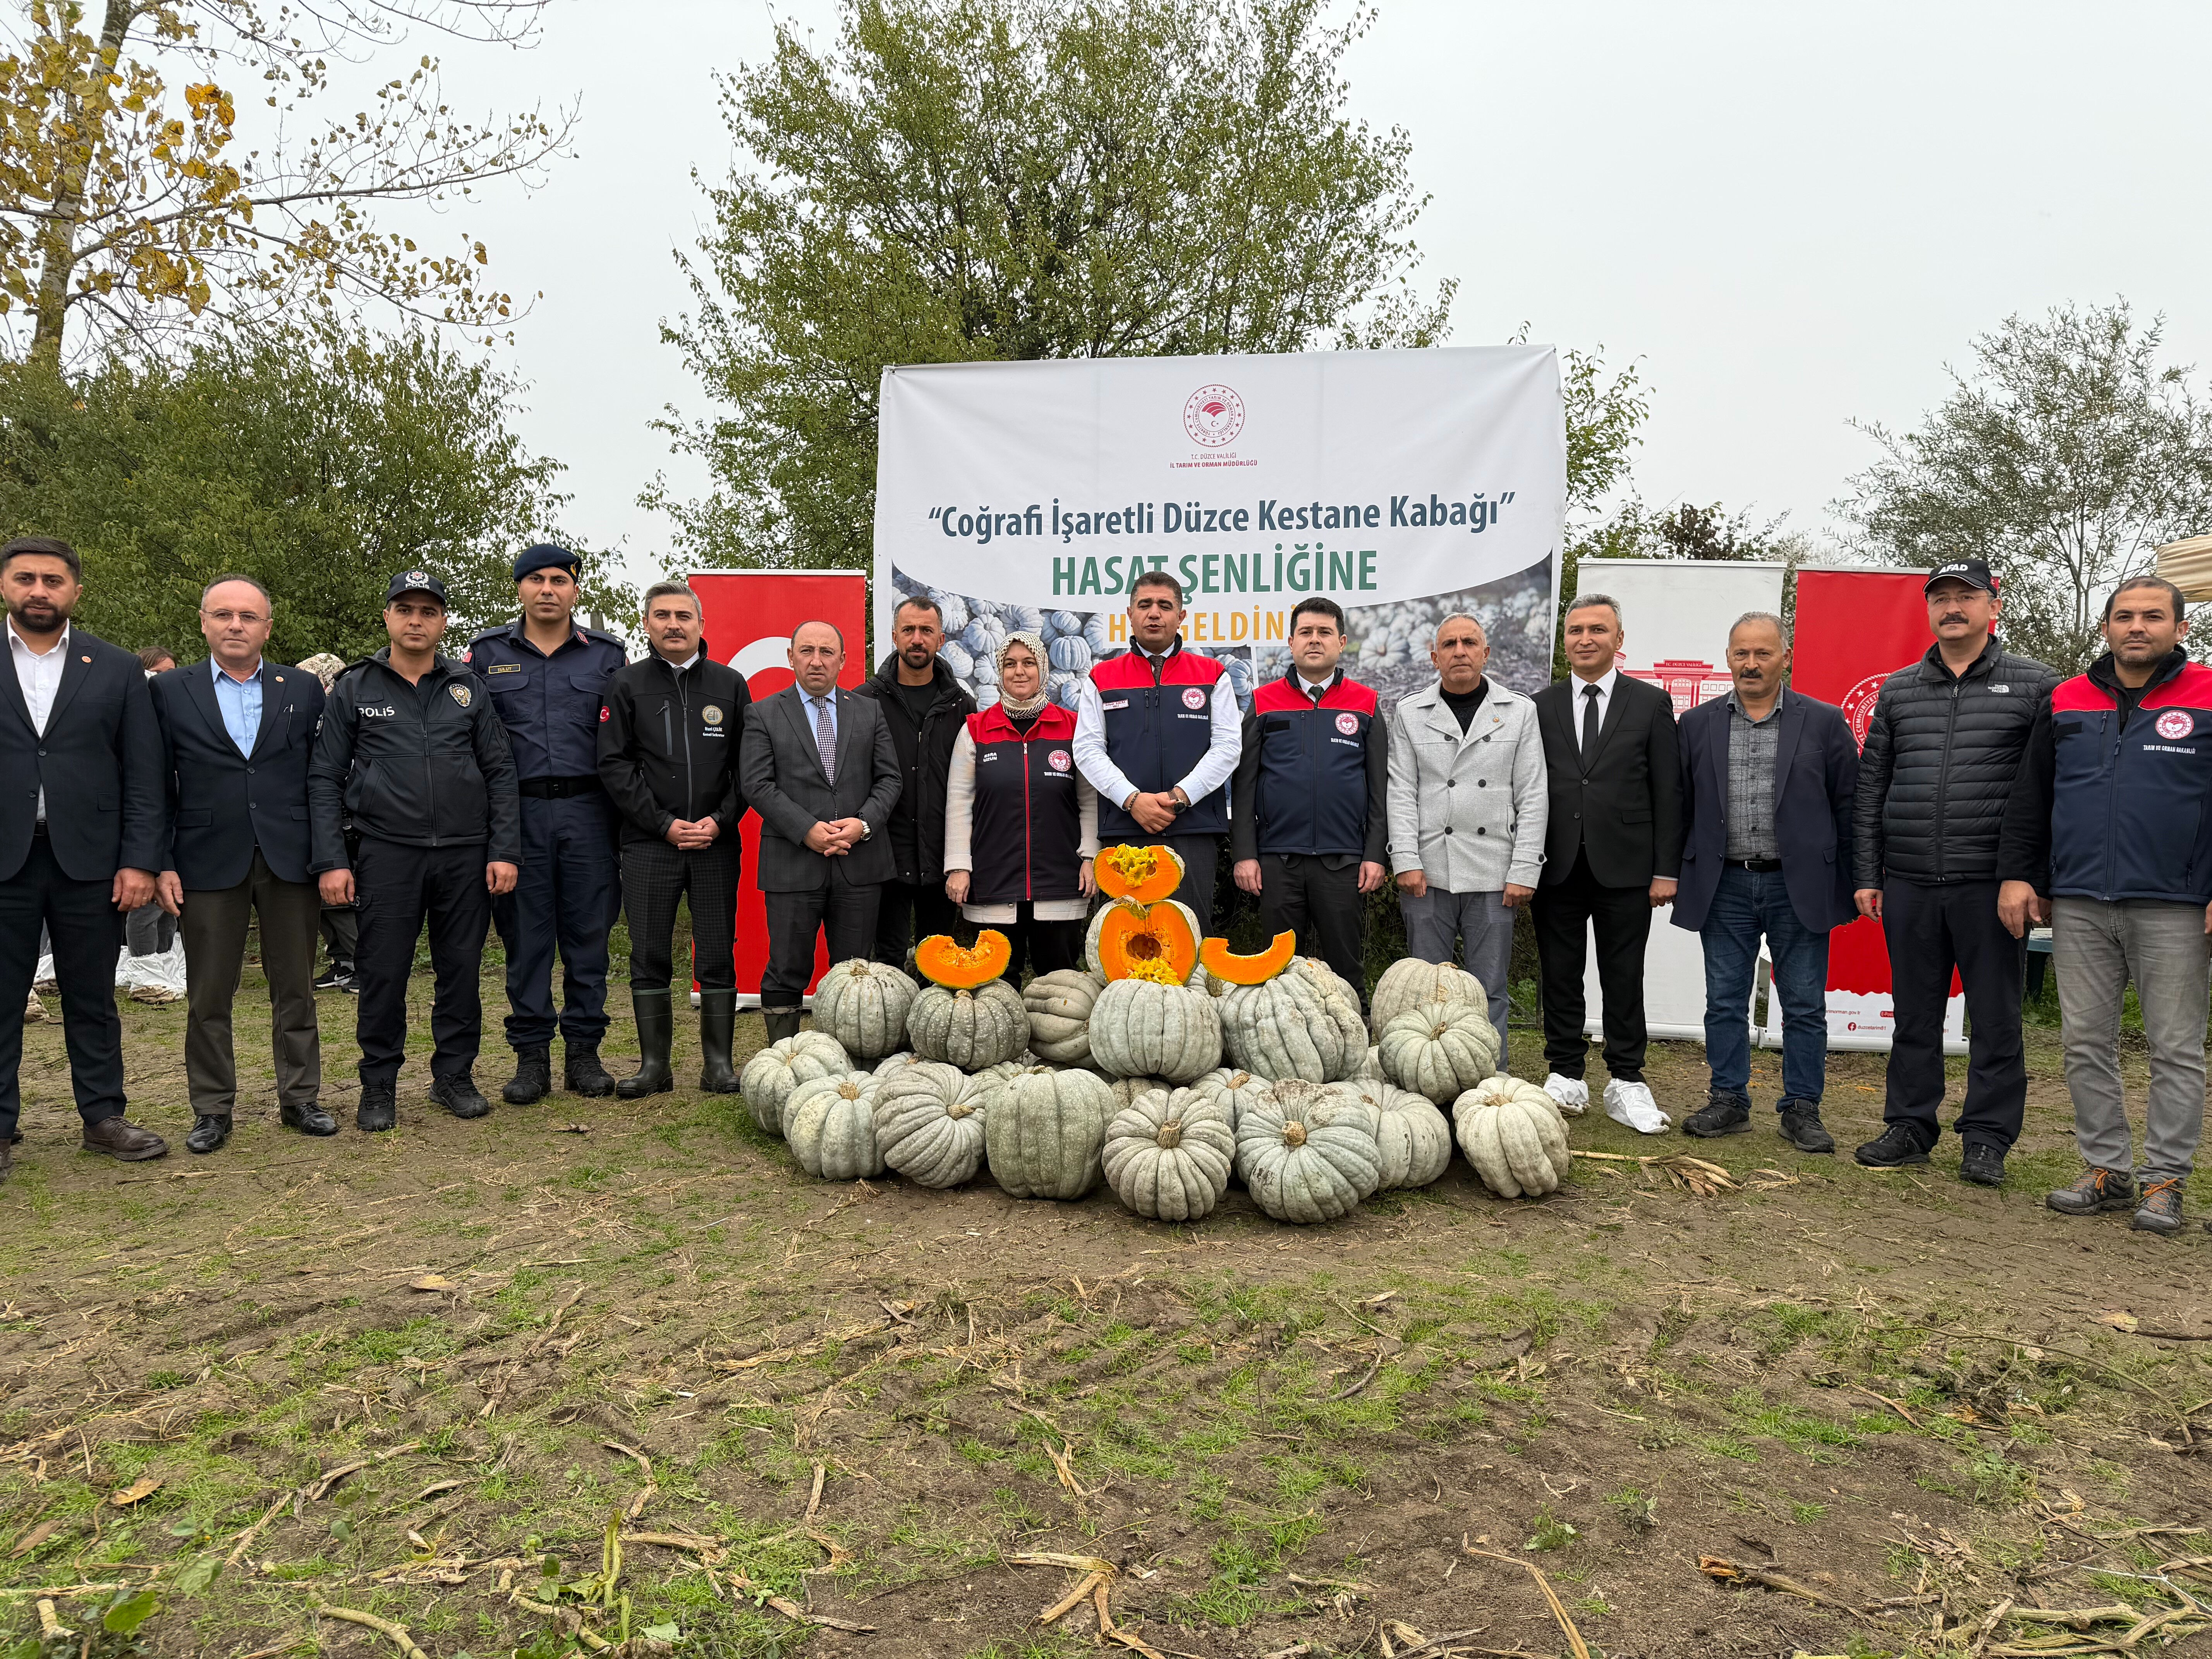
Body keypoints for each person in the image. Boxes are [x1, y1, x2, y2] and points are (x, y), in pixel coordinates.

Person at [1998, 576, 2212, 1234]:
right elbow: (2031, 797)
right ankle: (2105, 1170)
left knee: (2176, 1046)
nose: (2137, 626)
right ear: (2106, 629)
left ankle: (2165, 1178)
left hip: (2174, 901)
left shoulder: (2206, 693)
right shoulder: (2065, 699)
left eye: (2152, 616)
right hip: (2080, 900)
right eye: (2124, 616)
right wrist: (2017, 875)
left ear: (2180, 627)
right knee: (2085, 1042)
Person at [1850, 558, 2057, 1185]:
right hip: (1910, 878)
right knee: (1914, 1013)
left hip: (1991, 884)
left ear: (1993, 606)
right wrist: (1868, 870)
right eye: (1939, 597)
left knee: (1995, 1017)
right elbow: (1871, 785)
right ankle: (1910, 1124)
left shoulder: (2036, 684)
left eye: (1965, 595)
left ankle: (1987, 1137)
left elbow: (2051, 791)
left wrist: (2035, 878)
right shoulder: (1898, 689)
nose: (1951, 607)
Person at [309, 570, 521, 1130]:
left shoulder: (468, 687)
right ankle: (378, 1086)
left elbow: (499, 770)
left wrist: (504, 849)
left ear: (443, 622)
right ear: (387, 617)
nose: (416, 620)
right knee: (382, 973)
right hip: (386, 853)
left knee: (461, 972)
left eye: (428, 611)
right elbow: (325, 777)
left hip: (466, 855)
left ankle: (453, 1077)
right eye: (405, 609)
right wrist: (332, 860)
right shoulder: (356, 686)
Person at [0, 536, 170, 1179]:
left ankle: (102, 1116)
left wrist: (140, 861)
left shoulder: (117, 666)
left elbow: (144, 773)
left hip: (92, 862)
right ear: (6, 585)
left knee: (92, 996)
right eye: (26, 578)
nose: (39, 590)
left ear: (75, 590)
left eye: (53, 580)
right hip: (4, 856)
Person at [148, 575, 336, 1152]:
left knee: (296, 988)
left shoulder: (302, 689)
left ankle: (300, 1098)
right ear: (204, 622)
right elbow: (152, 783)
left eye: (249, 616)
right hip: (204, 860)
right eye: (224, 615)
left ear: (267, 628)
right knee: (209, 994)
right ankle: (211, 1109)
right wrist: (158, 861)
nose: (236, 625)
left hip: (290, 858)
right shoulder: (168, 691)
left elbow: (320, 779)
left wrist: (329, 856)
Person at [1672, 613, 1859, 1153]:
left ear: (1786, 657)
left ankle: (1802, 1108)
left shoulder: (1823, 723)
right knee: (1724, 1001)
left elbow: (1849, 804)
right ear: (1728, 659)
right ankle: (1728, 1100)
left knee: (1803, 1003)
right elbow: (1680, 806)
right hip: (1724, 885)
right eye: (1740, 654)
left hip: (1797, 885)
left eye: (1762, 653)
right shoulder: (1698, 725)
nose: (1750, 664)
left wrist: (1855, 879)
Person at [467, 544, 630, 1104]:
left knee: (589, 939)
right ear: (519, 589)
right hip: (519, 815)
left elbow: (625, 741)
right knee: (527, 941)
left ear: (575, 590)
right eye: (535, 579)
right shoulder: (487, 654)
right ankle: (531, 1058)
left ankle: (583, 1056)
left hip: (590, 813)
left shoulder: (607, 656)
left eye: (559, 579)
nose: (547, 589)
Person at [1530, 593, 1682, 1134]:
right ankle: (1566, 1074)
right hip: (1558, 866)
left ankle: (1627, 1080)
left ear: (1619, 641)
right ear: (1564, 641)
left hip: (1628, 867)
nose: (1586, 639)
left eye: (1598, 630)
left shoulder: (1649, 703)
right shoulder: (1540, 706)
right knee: (1561, 974)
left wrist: (1667, 870)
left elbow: (1669, 790)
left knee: (1624, 975)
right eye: (1576, 630)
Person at [598, 582, 751, 1096]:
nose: (673, 624)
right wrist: (662, 823)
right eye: (661, 615)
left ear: (702, 626)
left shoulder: (730, 685)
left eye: (683, 615)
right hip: (649, 844)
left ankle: (718, 1066)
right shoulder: (626, 685)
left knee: (717, 954)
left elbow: (747, 768)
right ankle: (654, 1067)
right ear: (647, 625)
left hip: (716, 843)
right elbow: (614, 766)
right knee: (649, 954)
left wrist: (720, 821)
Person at [1383, 610, 1547, 1061]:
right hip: (1428, 873)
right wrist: (1407, 861)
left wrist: (1525, 869)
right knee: (1425, 988)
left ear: (1486, 653)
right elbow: (1401, 791)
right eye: (1450, 644)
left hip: (1496, 872)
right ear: (1435, 657)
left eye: (1470, 643)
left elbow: (1533, 794)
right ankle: (1424, 1076)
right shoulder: (1410, 712)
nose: (1460, 651)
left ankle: (1491, 1074)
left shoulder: (1519, 712)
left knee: (1489, 986)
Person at [738, 620, 902, 1044]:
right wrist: (806, 829)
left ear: (843, 660)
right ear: (791, 658)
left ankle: (846, 1059)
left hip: (859, 863)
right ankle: (784, 1060)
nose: (817, 660)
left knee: (853, 973)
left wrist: (863, 825)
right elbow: (757, 784)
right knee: (787, 966)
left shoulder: (868, 711)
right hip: (793, 863)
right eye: (807, 651)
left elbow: (890, 780)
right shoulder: (763, 713)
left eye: (827, 652)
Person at [1229, 597, 1386, 1004]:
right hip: (1278, 862)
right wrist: (1245, 854)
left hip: (1344, 861)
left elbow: (1378, 789)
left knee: (1346, 970)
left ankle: (1354, 1050)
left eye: (1324, 633)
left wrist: (1375, 854)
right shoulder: (1263, 702)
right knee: (1278, 971)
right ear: (1291, 641)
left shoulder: (1366, 703)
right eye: (1306, 633)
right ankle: (1276, 1046)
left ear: (1342, 642)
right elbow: (1244, 784)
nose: (1315, 641)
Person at [1072, 571, 1240, 930]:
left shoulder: (1213, 675)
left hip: (1192, 829)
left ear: (1181, 617)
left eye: (1165, 606)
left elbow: (1227, 747)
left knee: (1190, 936)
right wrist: (1133, 800)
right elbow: (1087, 749)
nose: (1154, 613)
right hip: (1124, 828)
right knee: (1126, 939)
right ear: (1129, 614)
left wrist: (1181, 796)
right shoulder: (1102, 677)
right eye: (1145, 605)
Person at [944, 631, 1098, 974]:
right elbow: (958, 804)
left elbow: (1091, 802)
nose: (1020, 672)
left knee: (1060, 988)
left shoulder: (1073, 728)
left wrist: (1091, 857)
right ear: (1000, 672)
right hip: (992, 880)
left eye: (1029, 663)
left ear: (1042, 669)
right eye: (1010, 664)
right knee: (996, 989)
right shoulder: (975, 730)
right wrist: (958, 866)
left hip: (1062, 881)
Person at [855, 595, 973, 967]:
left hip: (940, 853)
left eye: (926, 631)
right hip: (882, 851)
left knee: (936, 957)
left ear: (941, 640)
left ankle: (927, 1026)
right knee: (887, 958)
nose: (917, 639)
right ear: (894, 636)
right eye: (909, 630)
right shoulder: (864, 701)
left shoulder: (961, 705)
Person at [122, 643, 183, 999]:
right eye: (157, 674)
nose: (164, 682)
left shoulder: (176, 711)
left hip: (174, 818)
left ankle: (166, 970)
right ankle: (145, 975)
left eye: (171, 674)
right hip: (146, 821)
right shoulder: (134, 709)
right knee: (144, 906)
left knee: (169, 906)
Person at [297, 652, 357, 991]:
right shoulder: (306, 717)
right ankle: (342, 962)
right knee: (320, 899)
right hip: (312, 816)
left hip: (346, 820)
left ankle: (361, 963)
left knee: (343, 900)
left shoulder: (346, 715)